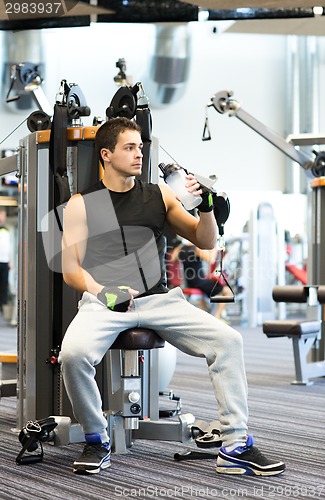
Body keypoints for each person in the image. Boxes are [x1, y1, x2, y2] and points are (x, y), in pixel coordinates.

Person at [59, 117, 285, 476]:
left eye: (140, 146)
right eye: (129, 147)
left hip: (158, 301)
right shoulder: (83, 204)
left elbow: (205, 239)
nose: (139, 153)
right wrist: (105, 292)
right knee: (72, 356)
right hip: (107, 300)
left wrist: (207, 206)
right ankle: (96, 438)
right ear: (106, 154)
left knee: (228, 340)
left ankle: (236, 443)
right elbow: (71, 269)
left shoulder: (158, 195)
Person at [171, 241, 232, 319]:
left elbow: (173, 259)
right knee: (227, 291)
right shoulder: (197, 249)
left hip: (189, 282)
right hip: (199, 282)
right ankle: (217, 317)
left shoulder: (180, 248)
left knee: (208, 294)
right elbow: (210, 260)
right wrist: (214, 248)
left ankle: (203, 317)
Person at [0, 207, 10, 314]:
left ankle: (3, 306)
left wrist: (10, 260)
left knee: (4, 284)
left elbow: (9, 247)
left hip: (5, 261)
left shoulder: (7, 230)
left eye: (3, 215)